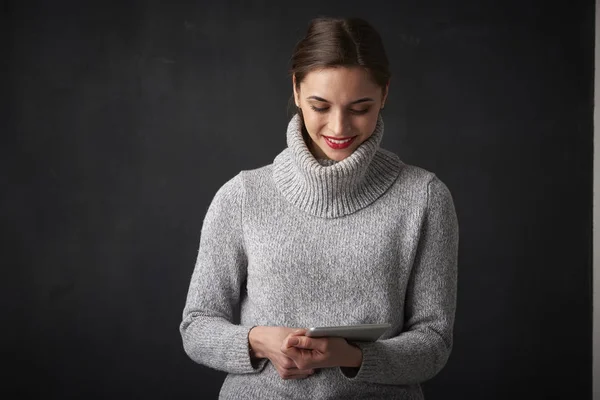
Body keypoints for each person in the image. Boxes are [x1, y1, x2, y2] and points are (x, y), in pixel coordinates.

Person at [179, 16, 459, 400]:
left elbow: (433, 343)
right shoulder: (243, 196)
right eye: (320, 105)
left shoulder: (424, 198)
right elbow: (196, 327)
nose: (339, 127)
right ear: (296, 90)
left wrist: (351, 357)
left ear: (385, 94)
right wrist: (259, 341)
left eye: (360, 107)